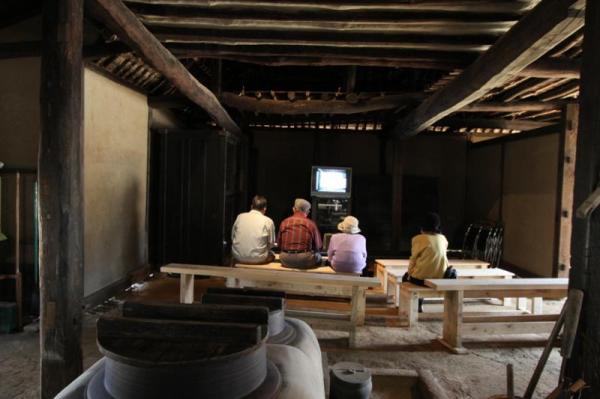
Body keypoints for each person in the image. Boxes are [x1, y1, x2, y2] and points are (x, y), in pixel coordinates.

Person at [403, 212, 451, 312]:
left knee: (406, 277)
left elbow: (413, 259)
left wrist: (409, 273)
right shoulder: (443, 239)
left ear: (422, 225)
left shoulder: (418, 239)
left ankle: (415, 304)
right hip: (441, 277)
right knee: (427, 269)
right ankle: (419, 303)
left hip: (421, 280)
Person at [278, 198, 323, 269]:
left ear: (294, 209)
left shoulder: (284, 222)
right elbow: (319, 246)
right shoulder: (310, 224)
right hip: (304, 260)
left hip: (285, 260)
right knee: (319, 256)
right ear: (307, 212)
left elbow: (279, 244)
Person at [231, 195, 276, 264]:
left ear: (251, 207)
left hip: (238, 256)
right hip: (259, 258)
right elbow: (271, 244)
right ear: (265, 209)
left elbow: (232, 237)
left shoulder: (240, 217)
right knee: (272, 255)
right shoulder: (268, 221)